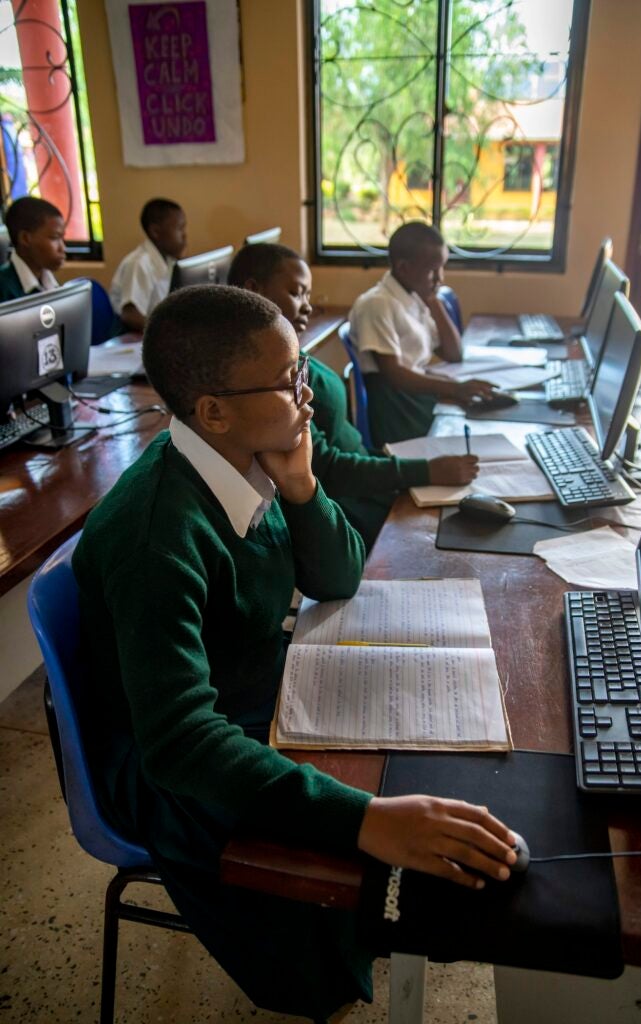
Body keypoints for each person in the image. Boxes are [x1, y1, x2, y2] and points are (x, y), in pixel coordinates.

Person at [72, 285, 518, 1021]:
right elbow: (179, 742)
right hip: (171, 765)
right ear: (212, 410)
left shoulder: (247, 458)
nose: (307, 391)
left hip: (258, 687)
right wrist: (362, 820)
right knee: (358, 839)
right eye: (288, 380)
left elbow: (336, 576)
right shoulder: (157, 533)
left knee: (430, 755)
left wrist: (304, 486)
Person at [228, 243, 479, 549]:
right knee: (438, 538)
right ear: (254, 290)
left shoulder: (293, 352)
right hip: (342, 504)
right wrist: (424, 470)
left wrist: (406, 465)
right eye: (296, 293)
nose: (308, 306)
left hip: (365, 480)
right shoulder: (272, 376)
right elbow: (327, 469)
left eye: (308, 295)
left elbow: (345, 447)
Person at [350, 221, 495, 446]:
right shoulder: (377, 304)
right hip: (399, 410)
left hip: (418, 395)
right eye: (433, 270)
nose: (441, 278)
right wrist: (455, 388)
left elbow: (453, 353)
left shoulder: (413, 298)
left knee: (483, 423)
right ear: (404, 268)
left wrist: (433, 301)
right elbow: (395, 374)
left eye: (442, 267)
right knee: (474, 435)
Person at [109, 197, 187, 332]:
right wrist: (165, 333)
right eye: (180, 229)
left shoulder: (169, 261)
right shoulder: (139, 263)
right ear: (155, 232)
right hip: (129, 337)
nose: (185, 235)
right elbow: (131, 315)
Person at [0, 195, 65, 301]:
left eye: (62, 238)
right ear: (25, 238)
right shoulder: (4, 289)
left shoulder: (48, 281)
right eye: (54, 238)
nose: (62, 248)